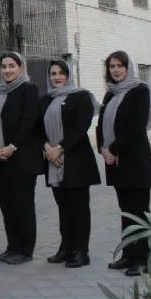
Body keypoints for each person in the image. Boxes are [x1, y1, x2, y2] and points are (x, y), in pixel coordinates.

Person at [97, 50, 151, 277]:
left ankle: (143, 259)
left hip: (135, 160)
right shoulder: (110, 94)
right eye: (112, 66)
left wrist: (113, 149)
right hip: (115, 162)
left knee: (139, 210)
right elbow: (100, 124)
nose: (115, 70)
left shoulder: (140, 90)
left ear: (128, 67)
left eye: (119, 66)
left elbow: (136, 126)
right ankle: (128, 254)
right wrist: (102, 149)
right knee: (126, 210)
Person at [40, 60, 101, 269]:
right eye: (53, 73)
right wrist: (48, 148)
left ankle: (81, 252)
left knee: (79, 208)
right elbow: (37, 128)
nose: (57, 77)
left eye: (61, 73)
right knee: (63, 207)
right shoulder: (46, 99)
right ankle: (65, 248)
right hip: (53, 161)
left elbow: (81, 127)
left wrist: (60, 148)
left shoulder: (81, 97)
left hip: (76, 160)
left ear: (69, 75)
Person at [0, 51, 41, 265]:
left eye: (12, 66)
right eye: (4, 66)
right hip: (1, 159)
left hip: (22, 159)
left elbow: (29, 122)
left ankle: (25, 250)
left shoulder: (29, 90)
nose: (7, 70)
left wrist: (12, 147)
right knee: (7, 206)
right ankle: (12, 246)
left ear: (21, 67)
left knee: (23, 206)